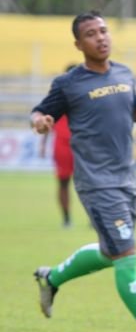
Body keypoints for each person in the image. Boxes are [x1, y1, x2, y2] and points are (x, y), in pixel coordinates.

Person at [30, 10, 136, 332]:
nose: (100, 37)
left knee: (110, 252)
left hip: (125, 179)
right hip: (96, 182)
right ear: (78, 43)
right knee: (127, 255)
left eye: (103, 30)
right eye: (91, 33)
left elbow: (134, 110)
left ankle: (52, 278)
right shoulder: (69, 83)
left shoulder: (123, 73)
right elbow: (41, 111)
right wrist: (41, 121)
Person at [40, 64, 77, 228]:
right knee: (63, 182)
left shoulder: (86, 95)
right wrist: (43, 144)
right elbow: (48, 118)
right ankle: (66, 219)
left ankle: (94, 219)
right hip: (62, 145)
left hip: (83, 145)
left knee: (91, 183)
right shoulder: (58, 95)